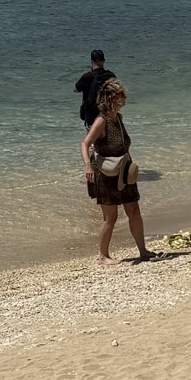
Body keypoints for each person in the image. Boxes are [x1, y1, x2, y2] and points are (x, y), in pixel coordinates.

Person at [81, 78, 152, 263]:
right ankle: (103, 256)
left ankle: (143, 250)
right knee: (110, 217)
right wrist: (88, 165)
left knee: (134, 210)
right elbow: (85, 143)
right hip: (105, 173)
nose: (125, 97)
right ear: (113, 98)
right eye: (122, 95)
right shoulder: (101, 121)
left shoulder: (118, 118)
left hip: (124, 169)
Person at [74, 50, 114, 128]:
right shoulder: (110, 75)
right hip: (108, 113)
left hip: (92, 115)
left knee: (94, 138)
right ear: (104, 61)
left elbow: (75, 89)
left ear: (92, 61)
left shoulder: (87, 76)